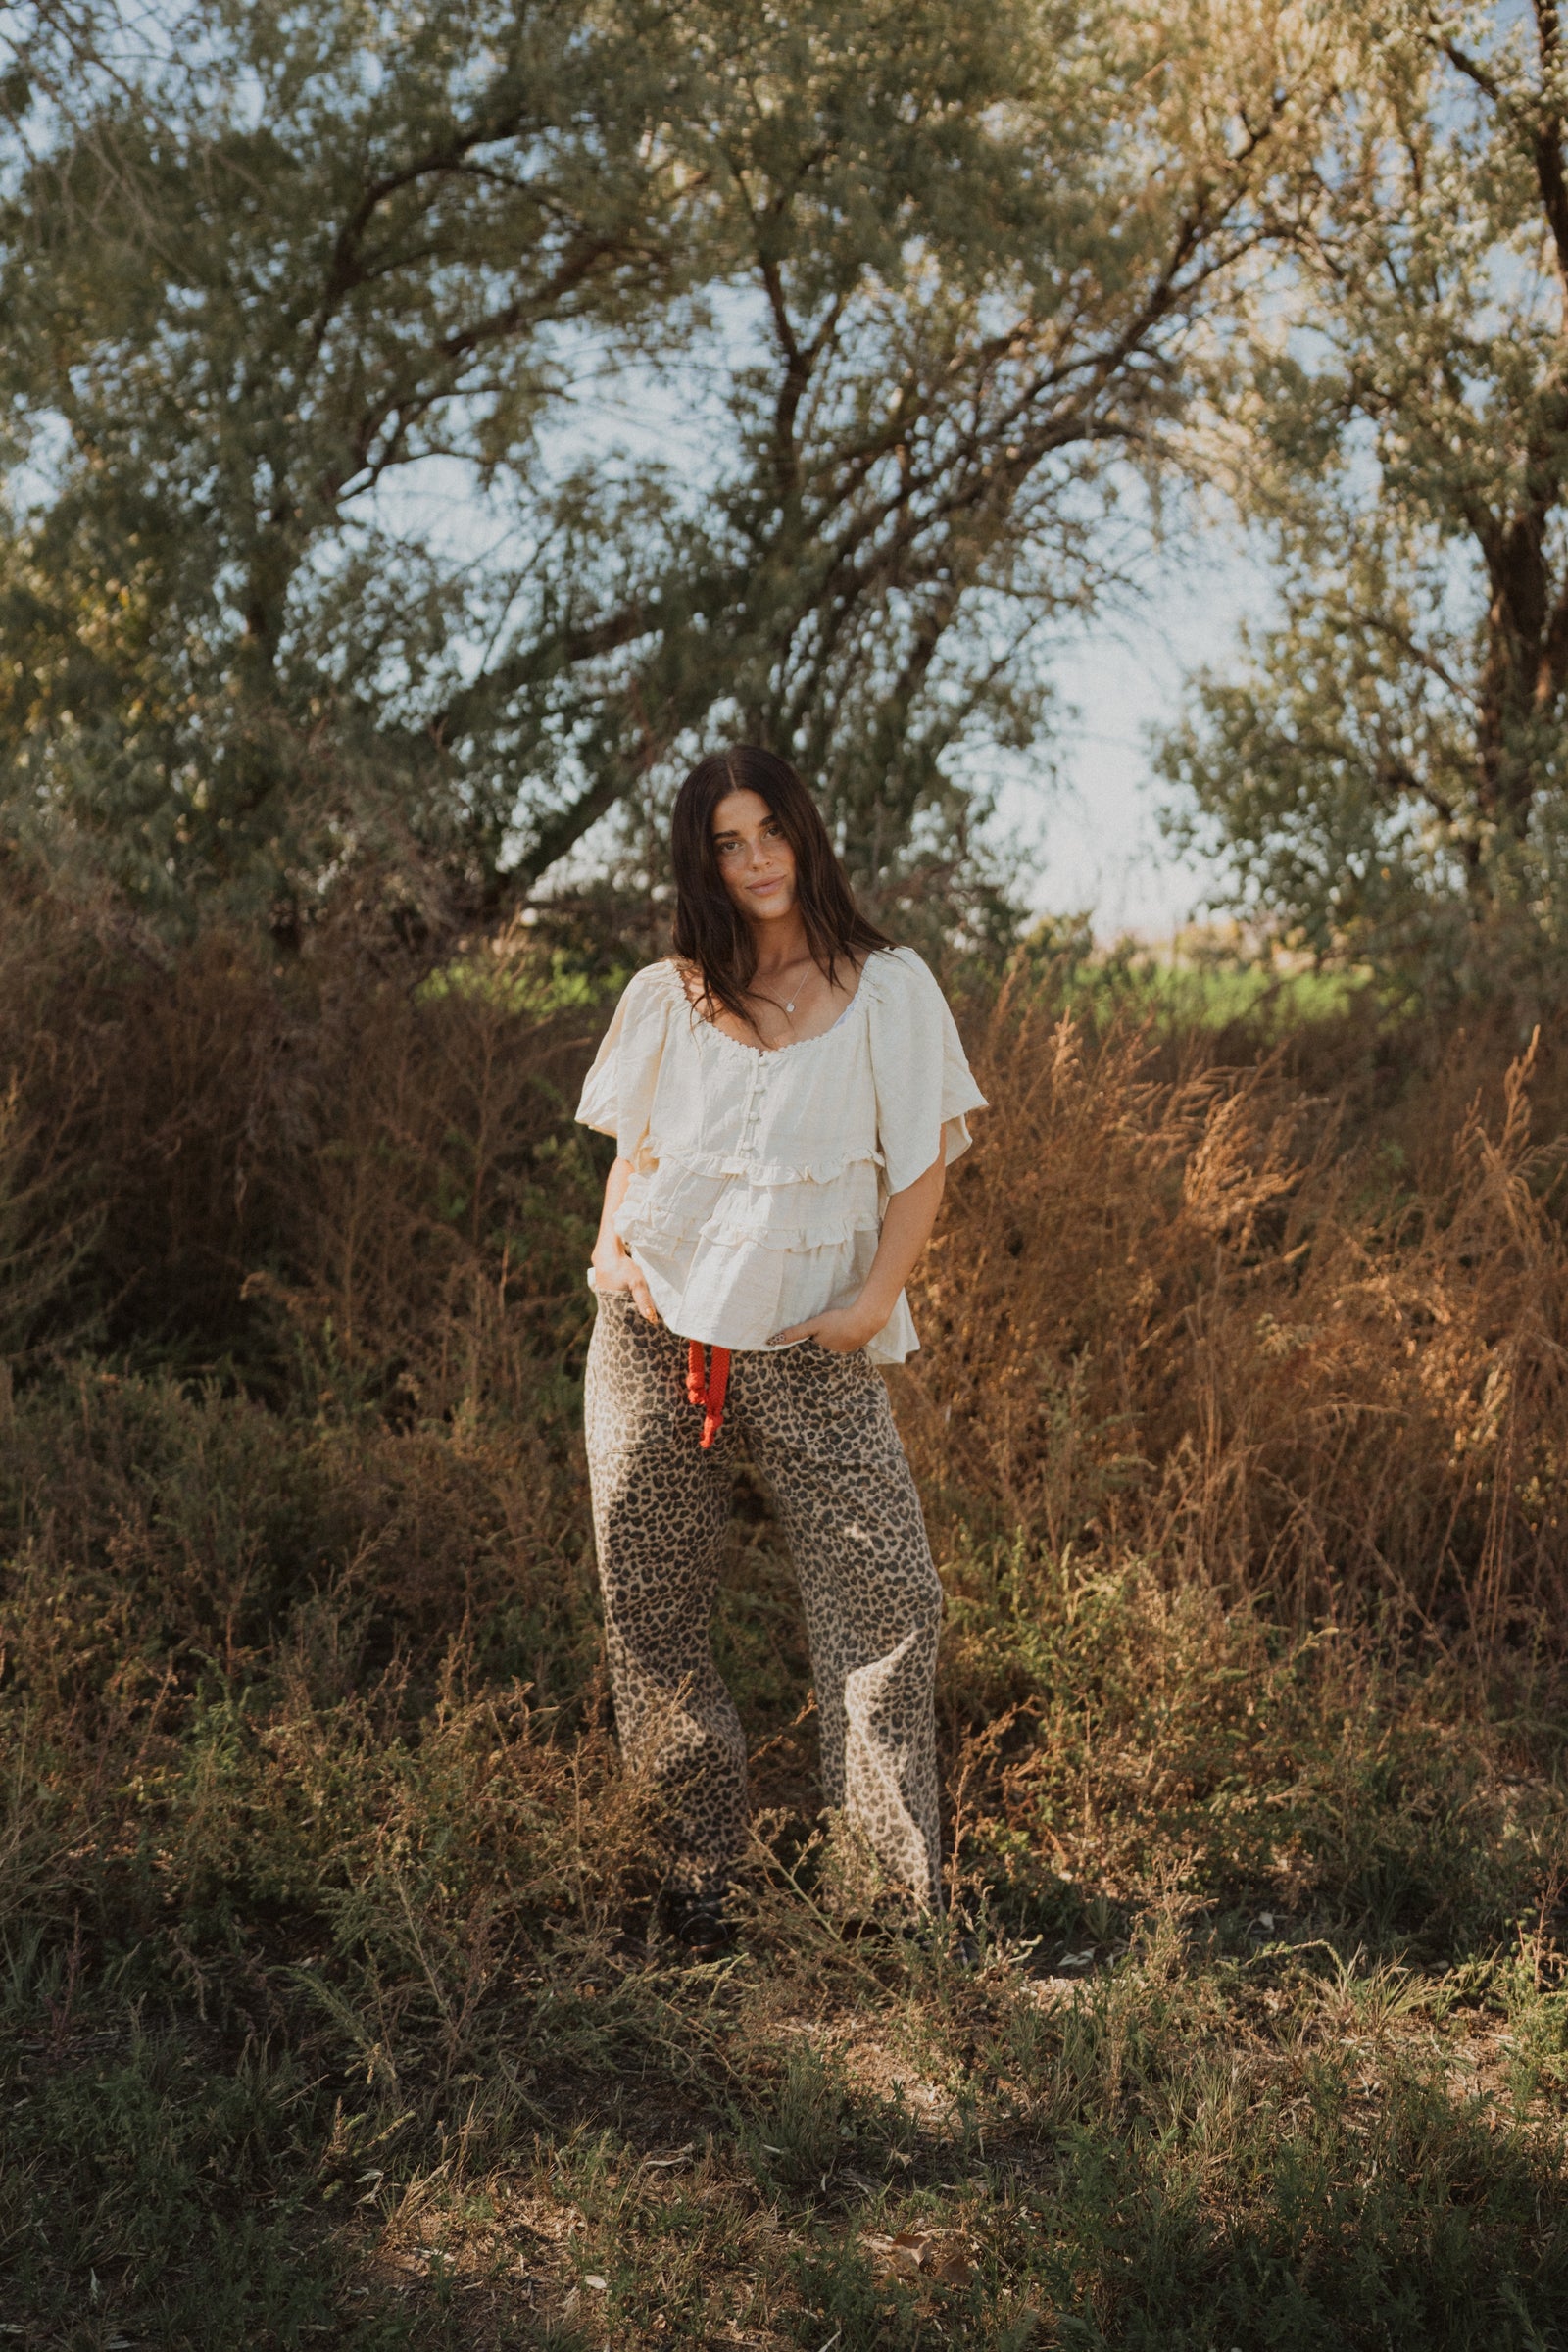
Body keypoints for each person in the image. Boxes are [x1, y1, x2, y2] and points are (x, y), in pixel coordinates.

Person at [575, 746, 986, 1956]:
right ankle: (692, 1877)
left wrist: (870, 1305)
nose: (754, 861)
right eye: (726, 844)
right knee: (648, 1598)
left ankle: (887, 1902)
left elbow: (922, 1168)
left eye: (769, 833)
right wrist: (612, 1253)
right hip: (654, 1337)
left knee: (890, 1599)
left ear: (803, 835)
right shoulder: (669, 993)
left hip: (812, 1338)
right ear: (702, 863)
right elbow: (632, 1160)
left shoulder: (887, 988)